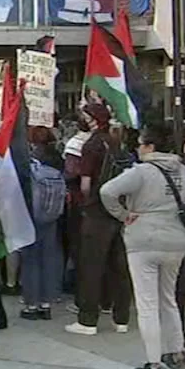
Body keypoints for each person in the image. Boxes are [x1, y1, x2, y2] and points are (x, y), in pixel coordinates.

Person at [100, 121, 185, 369]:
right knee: (169, 298)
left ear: (150, 147)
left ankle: (154, 363)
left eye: (140, 144)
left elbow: (107, 191)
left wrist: (124, 215)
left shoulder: (141, 172)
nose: (138, 148)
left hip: (144, 237)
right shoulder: (182, 171)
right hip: (176, 236)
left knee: (147, 304)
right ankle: (176, 353)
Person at [66, 103, 132, 337]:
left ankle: (87, 319)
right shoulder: (115, 142)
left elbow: (85, 183)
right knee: (118, 266)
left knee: (91, 267)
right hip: (116, 211)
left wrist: (86, 200)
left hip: (96, 211)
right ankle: (121, 317)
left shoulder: (91, 145)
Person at [21, 128, 66, 320]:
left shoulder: (30, 160)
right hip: (52, 214)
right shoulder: (57, 158)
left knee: (31, 259)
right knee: (49, 257)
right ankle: (46, 303)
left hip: (32, 213)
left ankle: (31, 304)